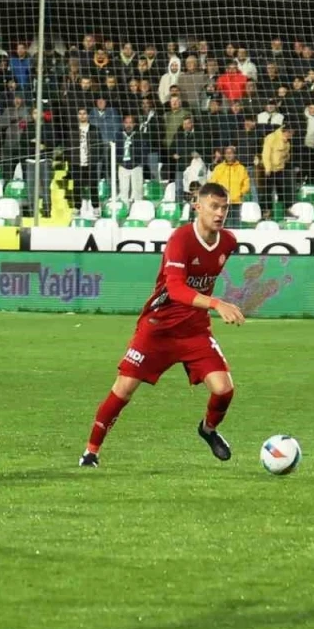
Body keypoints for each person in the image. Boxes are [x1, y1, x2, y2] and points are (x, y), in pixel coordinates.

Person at [80, 182, 245, 467]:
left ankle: (208, 429)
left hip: (194, 329)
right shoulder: (180, 239)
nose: (220, 213)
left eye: (225, 207)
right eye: (214, 207)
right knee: (124, 388)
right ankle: (91, 452)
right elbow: (177, 289)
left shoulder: (228, 242)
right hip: (158, 328)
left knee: (223, 389)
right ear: (198, 207)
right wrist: (217, 303)